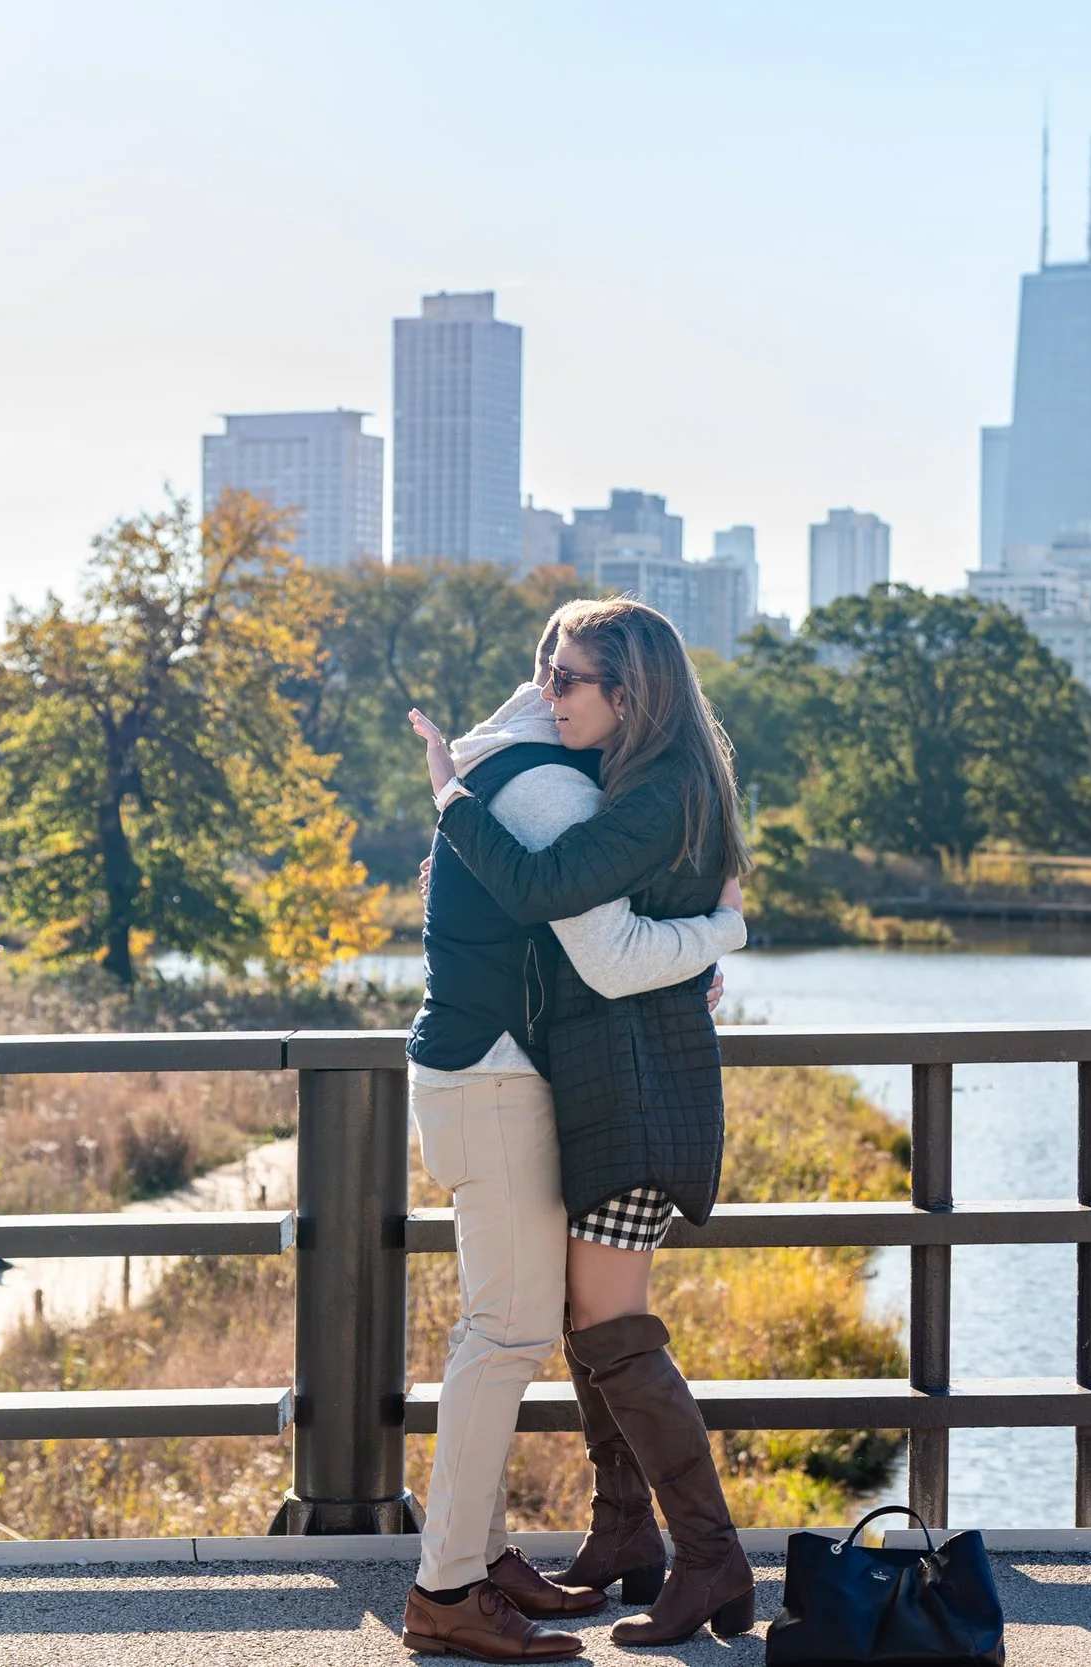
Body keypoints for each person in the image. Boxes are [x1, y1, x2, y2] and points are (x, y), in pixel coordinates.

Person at [395, 615, 747, 1663]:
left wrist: (452, 794)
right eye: (548, 673)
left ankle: (491, 1552)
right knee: (505, 1333)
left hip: (499, 1071)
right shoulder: (547, 783)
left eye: (574, 676)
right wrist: (715, 936)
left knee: (529, 1322)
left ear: (631, 692)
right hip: (492, 1074)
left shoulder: (519, 758)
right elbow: (605, 951)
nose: (554, 691)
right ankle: (448, 1583)